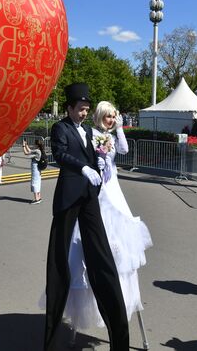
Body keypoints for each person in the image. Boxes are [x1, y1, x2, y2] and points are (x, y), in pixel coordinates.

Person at [44, 83, 129, 351]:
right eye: (80, 109)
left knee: (101, 254)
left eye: (85, 109)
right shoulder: (61, 128)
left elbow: (96, 154)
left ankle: (120, 338)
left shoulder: (89, 131)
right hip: (68, 197)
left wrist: (99, 163)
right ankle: (50, 338)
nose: (83, 113)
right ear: (69, 108)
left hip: (90, 196)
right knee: (59, 259)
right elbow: (60, 154)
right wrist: (83, 167)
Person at [64, 101, 152, 331]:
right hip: (97, 188)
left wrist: (120, 129)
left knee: (121, 241)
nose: (110, 120)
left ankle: (119, 296)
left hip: (113, 189)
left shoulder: (110, 135)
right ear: (99, 116)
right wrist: (96, 162)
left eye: (113, 117)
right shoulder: (90, 133)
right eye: (107, 116)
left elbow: (123, 150)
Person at [22, 139, 46, 204]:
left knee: (34, 182)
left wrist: (23, 146)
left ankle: (36, 199)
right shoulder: (40, 150)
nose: (33, 145)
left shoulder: (37, 151)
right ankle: (39, 197)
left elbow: (26, 153)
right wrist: (26, 145)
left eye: (34, 144)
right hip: (38, 169)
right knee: (38, 182)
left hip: (35, 168)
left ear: (36, 145)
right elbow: (30, 151)